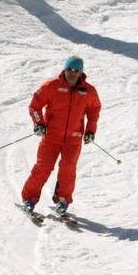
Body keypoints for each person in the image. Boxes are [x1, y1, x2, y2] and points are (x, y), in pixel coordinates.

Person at [20, 56, 102, 216]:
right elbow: (35, 105)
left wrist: (90, 131)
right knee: (43, 167)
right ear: (64, 69)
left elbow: (94, 110)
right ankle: (29, 199)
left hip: (74, 138)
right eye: (70, 69)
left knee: (68, 169)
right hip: (51, 136)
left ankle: (63, 200)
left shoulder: (88, 91)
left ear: (81, 73)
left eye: (76, 70)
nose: (72, 73)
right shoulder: (51, 86)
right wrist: (39, 123)